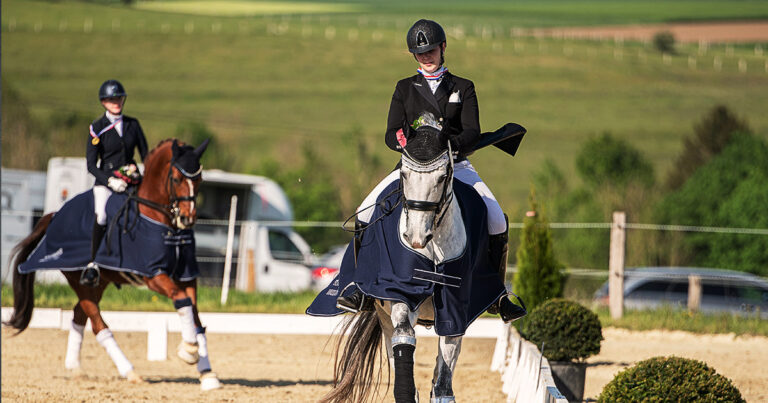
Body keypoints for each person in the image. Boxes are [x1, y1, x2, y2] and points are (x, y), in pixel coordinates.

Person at [337, 19, 524, 322]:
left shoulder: (463, 87)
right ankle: (358, 287)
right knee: (363, 212)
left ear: (443, 48)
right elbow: (391, 132)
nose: (426, 57)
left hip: (455, 165)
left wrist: (444, 145)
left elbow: (472, 133)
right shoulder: (404, 88)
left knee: (495, 217)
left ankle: (496, 294)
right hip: (413, 169)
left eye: (431, 51)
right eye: (420, 53)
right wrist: (404, 145)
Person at [80, 80, 148, 287]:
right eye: (111, 99)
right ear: (104, 102)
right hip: (106, 182)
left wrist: (137, 171)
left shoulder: (133, 125)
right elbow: (91, 165)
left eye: (118, 98)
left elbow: (146, 155)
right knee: (101, 214)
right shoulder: (97, 127)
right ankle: (93, 265)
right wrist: (109, 180)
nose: (116, 102)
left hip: (131, 180)